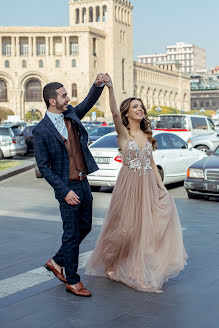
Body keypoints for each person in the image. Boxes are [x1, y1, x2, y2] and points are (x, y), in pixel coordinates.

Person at [86, 74, 187, 293]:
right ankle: (112, 264)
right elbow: (113, 112)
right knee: (124, 231)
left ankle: (139, 274)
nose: (140, 109)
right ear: (127, 113)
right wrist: (110, 88)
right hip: (128, 187)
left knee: (146, 231)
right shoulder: (124, 133)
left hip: (148, 186)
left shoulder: (147, 135)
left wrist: (163, 191)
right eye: (135, 106)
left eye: (141, 106)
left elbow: (151, 165)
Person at [33, 75, 105, 297]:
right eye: (63, 95)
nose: (68, 98)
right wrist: (64, 192)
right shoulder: (41, 130)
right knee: (72, 234)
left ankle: (57, 261)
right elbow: (44, 167)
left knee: (86, 228)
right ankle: (72, 280)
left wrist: (97, 85)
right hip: (67, 188)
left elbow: (86, 103)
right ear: (51, 101)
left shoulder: (71, 115)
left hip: (84, 183)